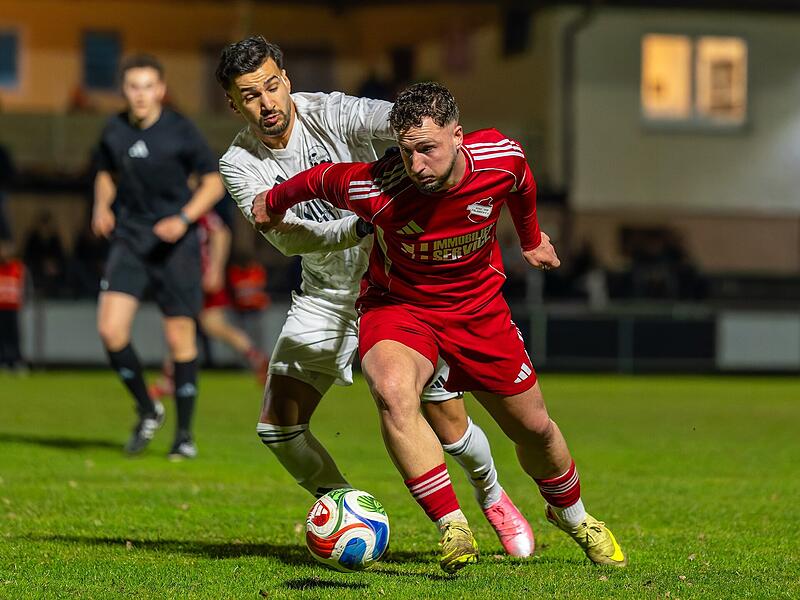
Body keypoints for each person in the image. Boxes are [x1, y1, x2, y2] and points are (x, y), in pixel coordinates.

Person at [253, 82, 628, 574]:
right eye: (407, 152)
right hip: (400, 309)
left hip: (479, 311)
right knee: (390, 389)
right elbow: (319, 180)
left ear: (458, 135)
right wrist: (273, 201)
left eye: (428, 149)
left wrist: (532, 239)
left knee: (534, 428)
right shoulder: (380, 186)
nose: (417, 165)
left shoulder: (500, 157)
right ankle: (452, 524)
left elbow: (523, 183)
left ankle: (573, 516)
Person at [216, 36, 535, 561]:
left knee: (448, 422)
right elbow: (288, 237)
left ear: (287, 79)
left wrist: (440, 153)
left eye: (272, 86)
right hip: (324, 295)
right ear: (234, 103)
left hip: (400, 289)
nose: (267, 103)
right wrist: (366, 222)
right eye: (250, 95)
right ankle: (342, 508)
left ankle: (493, 496)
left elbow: (405, 122)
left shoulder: (335, 112)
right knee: (277, 429)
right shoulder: (238, 162)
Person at [92, 54, 225, 459]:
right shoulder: (113, 131)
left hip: (175, 243)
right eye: (134, 86)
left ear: (161, 90)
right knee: (111, 331)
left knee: (178, 338)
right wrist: (101, 206)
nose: (141, 95)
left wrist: (184, 218)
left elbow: (214, 182)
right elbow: (105, 173)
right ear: (124, 90)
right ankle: (148, 409)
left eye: (149, 86)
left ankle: (184, 436)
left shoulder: (181, 131)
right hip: (131, 239)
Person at [148, 208, 269, 399]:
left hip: (198, 279)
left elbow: (221, 233)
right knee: (205, 325)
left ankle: (170, 380)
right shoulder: (185, 208)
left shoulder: (194, 210)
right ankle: (256, 358)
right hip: (189, 278)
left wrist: (215, 270)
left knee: (192, 324)